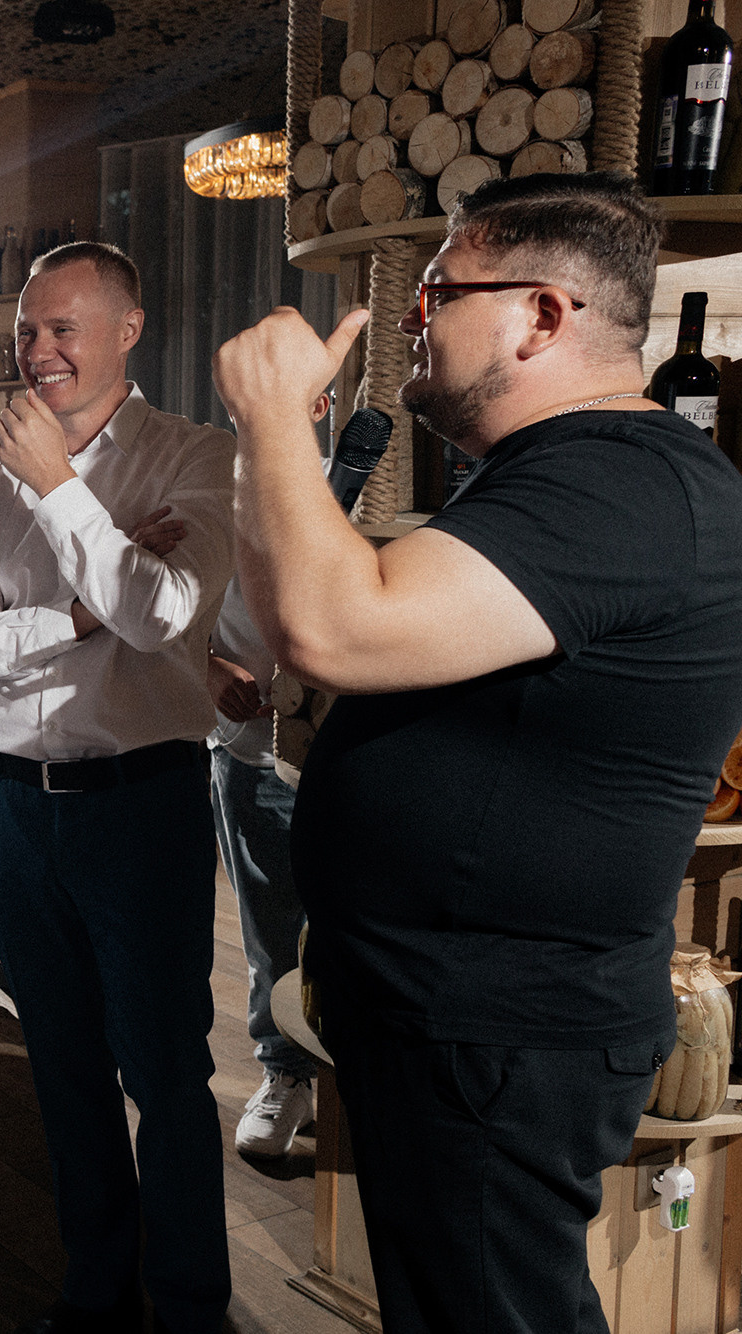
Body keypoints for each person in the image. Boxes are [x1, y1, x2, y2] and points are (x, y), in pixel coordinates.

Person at [213, 173, 742, 1333]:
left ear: (539, 315)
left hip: (500, 1031)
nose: (411, 317)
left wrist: (262, 416)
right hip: (450, 1016)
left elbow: (332, 627)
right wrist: (276, 454)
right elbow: (307, 613)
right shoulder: (556, 472)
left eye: (437, 292)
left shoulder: (619, 479)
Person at [0, 241, 236, 1334]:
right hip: (13, 799)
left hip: (139, 795)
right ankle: (95, 1286)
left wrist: (58, 490)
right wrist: (81, 611)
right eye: (25, 331)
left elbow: (162, 614)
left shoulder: (195, 456)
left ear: (126, 329)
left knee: (163, 1063)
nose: (38, 350)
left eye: (62, 327)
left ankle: (192, 1302)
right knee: (58, 1057)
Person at [205, 390, 332, 1160]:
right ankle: (285, 1074)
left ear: (314, 402)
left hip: (347, 755)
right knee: (271, 926)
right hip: (250, 749)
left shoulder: (350, 493)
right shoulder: (206, 501)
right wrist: (208, 663)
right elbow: (161, 617)